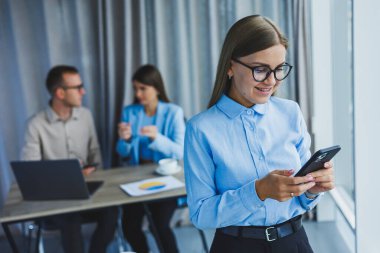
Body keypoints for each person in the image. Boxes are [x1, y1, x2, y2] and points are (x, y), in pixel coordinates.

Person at [184, 15, 335, 253]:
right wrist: (257, 192)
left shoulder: (290, 112)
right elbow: (201, 214)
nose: (272, 81)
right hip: (235, 247)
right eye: (260, 69)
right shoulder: (200, 129)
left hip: (294, 243)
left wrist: (312, 190)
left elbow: (301, 200)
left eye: (278, 69)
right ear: (231, 67)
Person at [22, 65, 118, 253]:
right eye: (78, 87)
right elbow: (30, 172)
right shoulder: (35, 125)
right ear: (60, 92)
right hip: (55, 198)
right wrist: (69, 175)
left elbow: (95, 156)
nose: (84, 91)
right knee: (70, 220)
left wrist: (91, 170)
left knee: (112, 212)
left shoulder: (86, 116)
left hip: (87, 189)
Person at [116, 64, 185, 253]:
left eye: (142, 88)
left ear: (156, 87)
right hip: (137, 178)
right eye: (135, 89)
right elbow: (122, 153)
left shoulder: (173, 112)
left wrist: (157, 138)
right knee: (129, 227)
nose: (138, 94)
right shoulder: (130, 112)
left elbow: (181, 152)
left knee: (159, 225)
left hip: (167, 179)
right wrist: (125, 140)